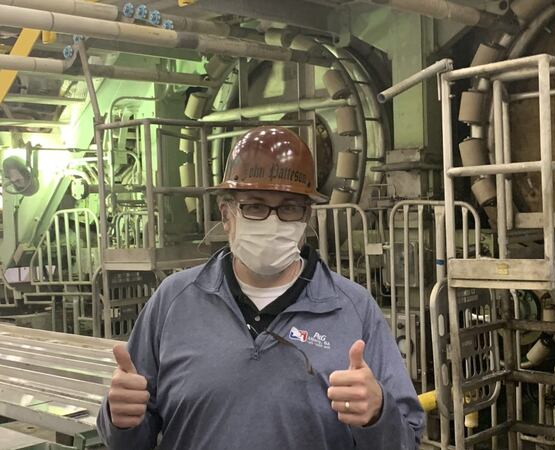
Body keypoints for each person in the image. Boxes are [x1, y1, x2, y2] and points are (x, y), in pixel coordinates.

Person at [96, 126, 424, 450]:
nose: (272, 221)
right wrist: (120, 419)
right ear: (226, 214)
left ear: (305, 216)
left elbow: (407, 440)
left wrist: (378, 413)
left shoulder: (352, 308)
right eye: (254, 206)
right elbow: (128, 439)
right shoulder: (174, 301)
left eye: (289, 207)